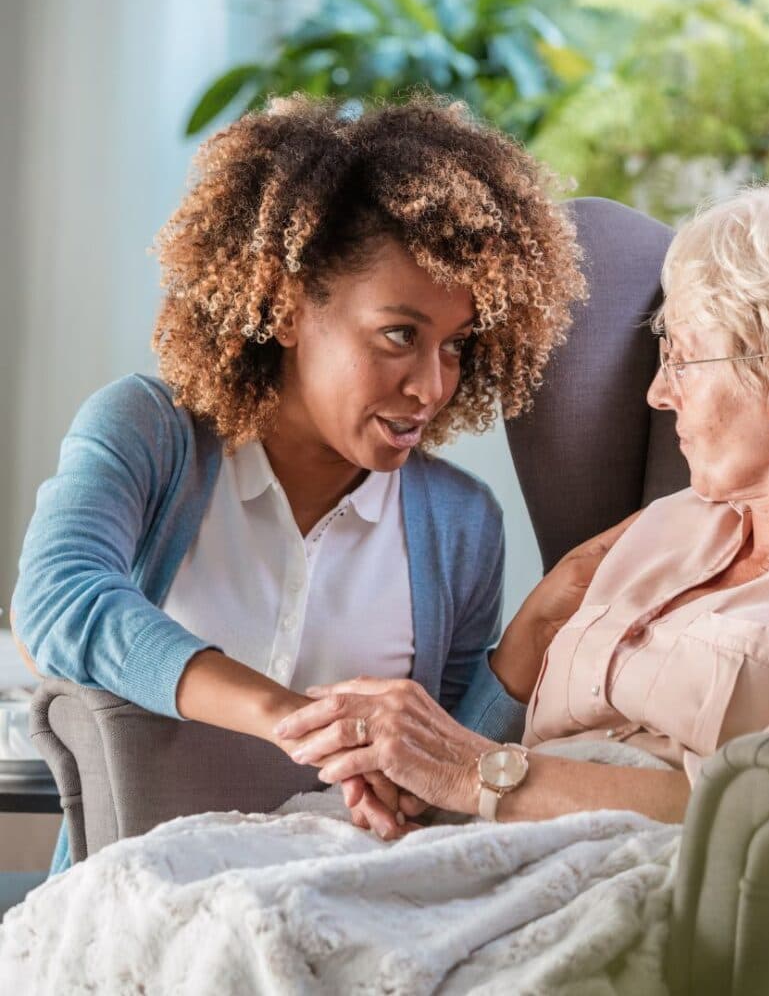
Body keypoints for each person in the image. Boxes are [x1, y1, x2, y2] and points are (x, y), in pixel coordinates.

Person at [273, 182, 769, 830]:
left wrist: (473, 775)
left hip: (647, 890)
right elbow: (504, 758)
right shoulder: (665, 526)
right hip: (491, 839)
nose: (658, 394)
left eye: (680, 359)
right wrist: (419, 781)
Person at [9, 93, 587, 869]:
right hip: (135, 904)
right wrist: (296, 718)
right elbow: (58, 601)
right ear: (286, 307)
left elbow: (440, 776)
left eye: (457, 345)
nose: (431, 386)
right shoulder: (148, 434)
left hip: (348, 914)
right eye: (398, 335)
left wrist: (537, 627)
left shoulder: (461, 522)